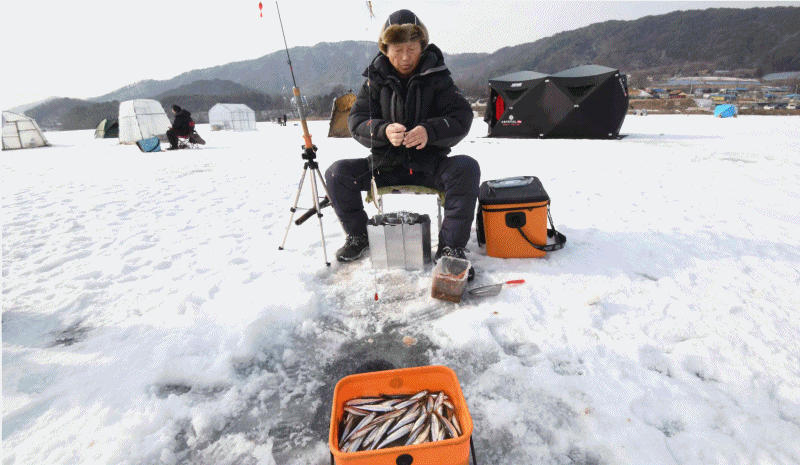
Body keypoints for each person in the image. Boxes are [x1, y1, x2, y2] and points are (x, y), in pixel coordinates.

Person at [324, 9, 480, 280]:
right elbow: (356, 121)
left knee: (466, 168)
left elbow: (462, 117)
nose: (405, 57)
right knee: (338, 173)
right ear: (385, 49)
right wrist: (383, 130)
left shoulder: (438, 77)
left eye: (412, 49)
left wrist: (429, 131)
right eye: (397, 50)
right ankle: (359, 236)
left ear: (423, 46)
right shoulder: (374, 81)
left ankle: (451, 247)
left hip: (430, 165)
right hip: (384, 165)